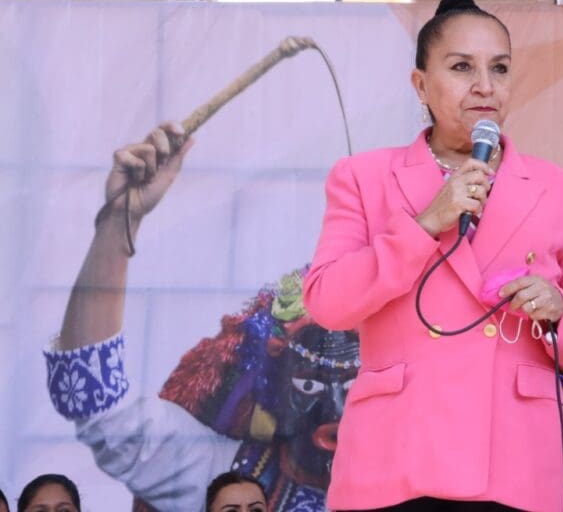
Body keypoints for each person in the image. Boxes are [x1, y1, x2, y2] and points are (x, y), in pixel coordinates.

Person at [303, 0, 563, 511]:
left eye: (500, 68)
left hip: (516, 461)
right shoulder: (363, 177)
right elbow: (327, 303)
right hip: (395, 457)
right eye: (462, 67)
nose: (485, 86)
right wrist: (427, 223)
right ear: (421, 84)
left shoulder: (560, 190)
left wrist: (560, 309)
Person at [43, 122, 360, 511]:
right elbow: (98, 405)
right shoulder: (225, 473)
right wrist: (118, 223)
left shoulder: (411, 478)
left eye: (353, 384)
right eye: (309, 384)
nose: (336, 409)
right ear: (272, 388)